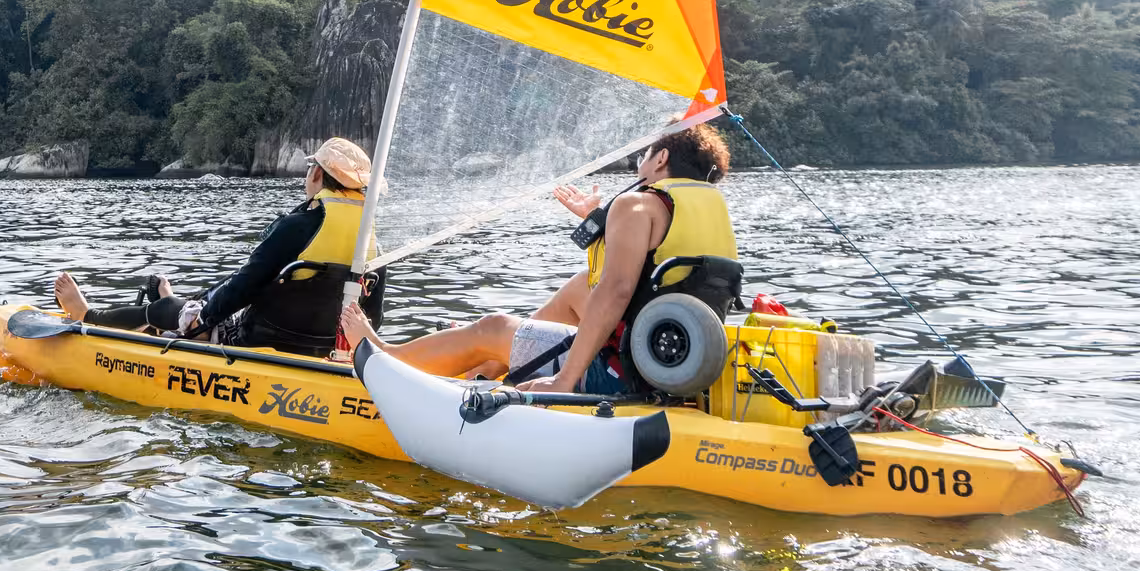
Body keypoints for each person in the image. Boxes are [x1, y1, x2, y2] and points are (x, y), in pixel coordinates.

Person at [340, 123, 737, 395]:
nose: (641, 166)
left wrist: (565, 380)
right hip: (674, 366)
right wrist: (596, 221)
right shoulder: (707, 206)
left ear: (661, 157)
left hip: (622, 375)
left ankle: (386, 358)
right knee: (582, 286)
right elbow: (653, 277)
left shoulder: (638, 203)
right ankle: (489, 367)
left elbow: (616, 292)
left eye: (645, 156)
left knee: (492, 326)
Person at [52, 137, 386, 357]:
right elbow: (373, 318)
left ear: (317, 174)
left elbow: (244, 286)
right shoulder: (372, 245)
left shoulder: (296, 226)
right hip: (320, 352)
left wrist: (202, 320)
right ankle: (175, 303)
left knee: (174, 312)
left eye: (310, 168)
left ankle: (88, 315)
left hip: (255, 342)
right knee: (198, 306)